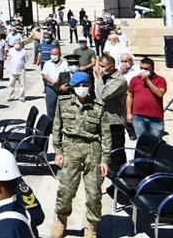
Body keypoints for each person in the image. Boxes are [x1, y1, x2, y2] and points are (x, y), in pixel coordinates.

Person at [52, 72, 110, 238]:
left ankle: (91, 225)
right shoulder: (63, 103)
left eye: (85, 85)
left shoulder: (98, 106)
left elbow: (105, 134)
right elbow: (56, 127)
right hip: (70, 148)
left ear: (90, 86)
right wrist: (58, 151)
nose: (82, 89)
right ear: (73, 87)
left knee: (94, 193)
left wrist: (105, 159)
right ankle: (61, 220)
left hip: (93, 150)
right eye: (78, 86)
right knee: (66, 190)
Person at [93, 54, 129, 171]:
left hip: (114, 122)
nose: (100, 68)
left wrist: (98, 78)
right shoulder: (105, 77)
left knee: (116, 153)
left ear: (112, 66)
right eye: (99, 65)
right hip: (103, 120)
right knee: (105, 152)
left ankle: (119, 181)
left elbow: (103, 95)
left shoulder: (119, 80)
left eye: (103, 66)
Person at [126, 58, 167, 139]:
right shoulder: (134, 79)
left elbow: (159, 94)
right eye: (141, 68)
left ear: (152, 68)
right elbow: (130, 96)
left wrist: (147, 80)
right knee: (142, 144)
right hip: (138, 117)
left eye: (146, 69)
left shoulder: (160, 80)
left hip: (156, 118)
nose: (143, 71)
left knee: (155, 143)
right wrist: (128, 113)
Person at [41, 48, 68, 118]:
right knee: (50, 110)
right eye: (52, 54)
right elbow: (44, 75)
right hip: (51, 89)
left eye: (55, 54)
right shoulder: (47, 63)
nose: (54, 56)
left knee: (63, 109)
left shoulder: (65, 64)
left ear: (59, 55)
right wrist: (53, 82)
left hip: (62, 90)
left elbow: (68, 75)